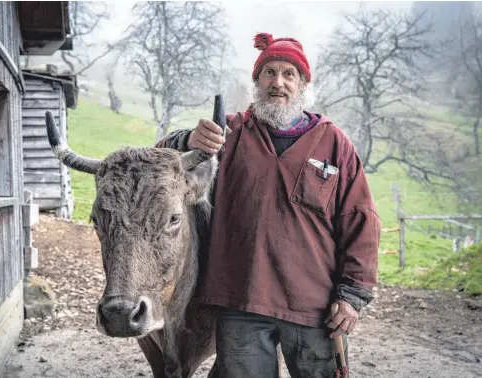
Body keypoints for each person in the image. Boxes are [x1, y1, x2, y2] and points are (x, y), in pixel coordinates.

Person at [156, 32, 380, 378]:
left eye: (289, 74)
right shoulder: (230, 133)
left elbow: (361, 222)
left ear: (303, 84)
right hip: (240, 302)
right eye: (269, 73)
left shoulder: (335, 143)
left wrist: (351, 295)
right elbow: (163, 156)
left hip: (314, 305)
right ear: (256, 82)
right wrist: (186, 138)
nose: (278, 83)